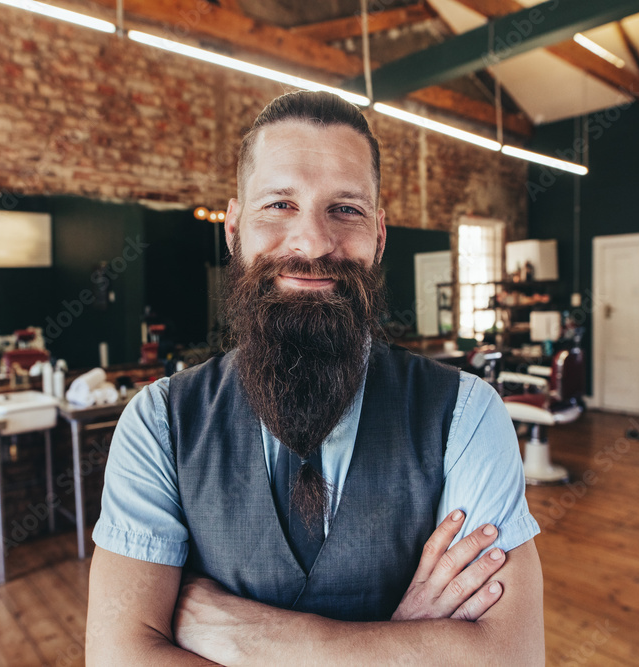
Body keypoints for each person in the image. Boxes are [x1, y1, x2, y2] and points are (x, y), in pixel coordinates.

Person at [86, 91, 544, 665]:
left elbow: (511, 657)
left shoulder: (467, 415)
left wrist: (262, 638)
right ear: (233, 229)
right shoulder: (157, 424)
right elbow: (119, 658)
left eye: (345, 209)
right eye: (279, 204)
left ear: (378, 237)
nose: (312, 242)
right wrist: (400, 644)